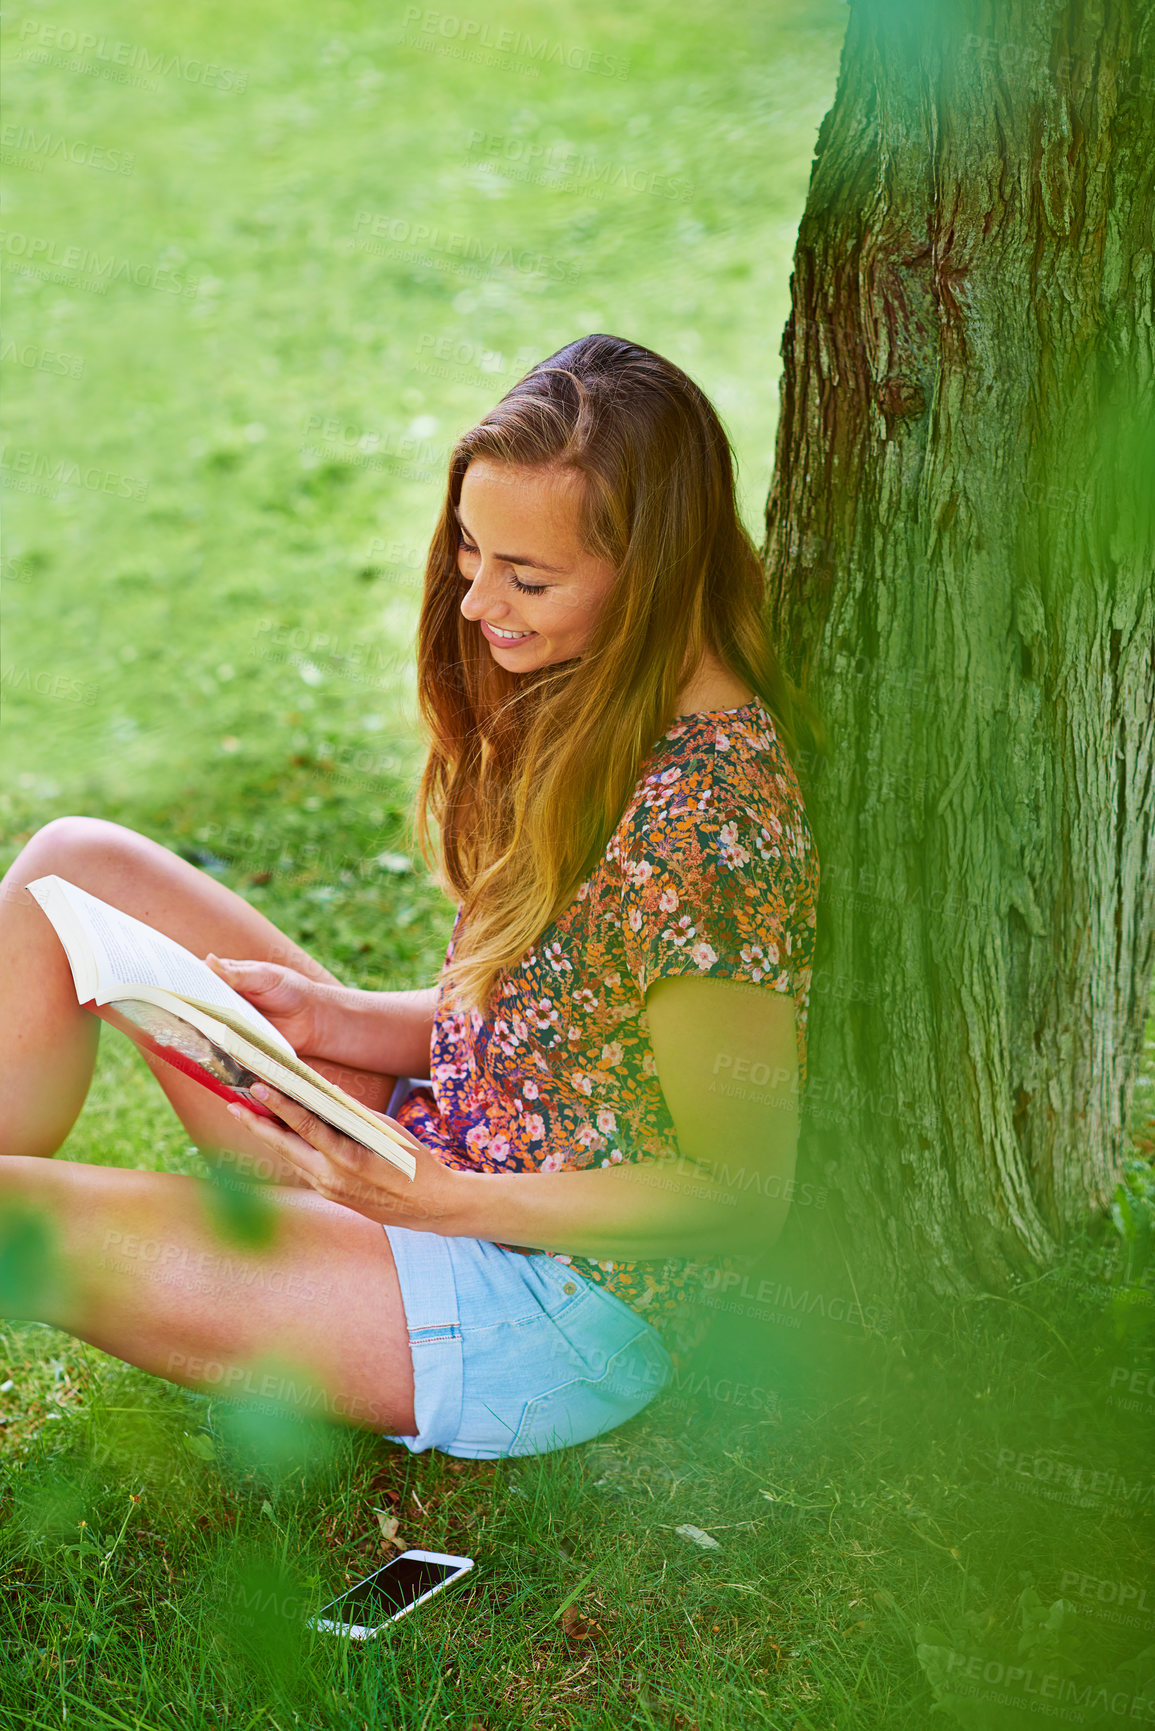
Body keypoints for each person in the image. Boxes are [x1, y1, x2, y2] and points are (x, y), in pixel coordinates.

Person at [0, 334, 821, 1458]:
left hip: (543, 1306)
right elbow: (546, 1025)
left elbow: (737, 1190)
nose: (480, 599)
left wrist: (444, 1203)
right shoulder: (596, 696)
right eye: (473, 552)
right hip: (437, 1150)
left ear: (657, 572)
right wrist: (336, 1019)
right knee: (72, 866)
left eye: (528, 578)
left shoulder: (715, 829)